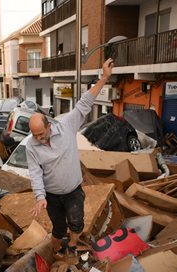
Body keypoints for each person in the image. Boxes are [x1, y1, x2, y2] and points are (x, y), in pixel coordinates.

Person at [26, 58, 115, 257]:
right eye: (35, 135)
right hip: (52, 196)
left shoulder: (66, 126)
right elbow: (35, 172)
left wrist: (104, 78)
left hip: (73, 190)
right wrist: (40, 197)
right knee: (58, 228)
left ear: (49, 125)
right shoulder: (30, 146)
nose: (39, 139)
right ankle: (57, 251)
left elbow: (84, 103)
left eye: (41, 134)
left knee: (76, 222)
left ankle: (73, 247)